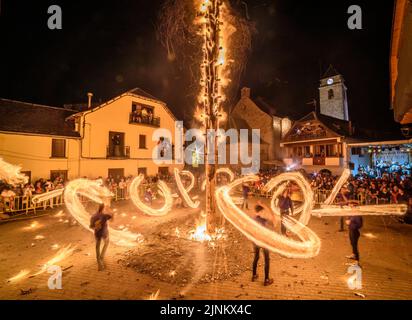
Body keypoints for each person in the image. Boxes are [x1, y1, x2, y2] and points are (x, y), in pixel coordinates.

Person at [251, 202, 275, 286]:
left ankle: (254, 276)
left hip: (255, 241)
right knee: (267, 260)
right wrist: (265, 205)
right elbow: (273, 219)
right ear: (260, 212)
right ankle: (266, 280)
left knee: (256, 257)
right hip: (263, 242)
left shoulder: (253, 218)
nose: (264, 213)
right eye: (263, 211)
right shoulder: (263, 219)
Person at [89, 203, 114, 271]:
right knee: (107, 242)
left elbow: (90, 226)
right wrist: (109, 209)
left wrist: (95, 227)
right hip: (104, 233)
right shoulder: (104, 216)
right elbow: (112, 218)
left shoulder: (93, 216)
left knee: (97, 246)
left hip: (97, 234)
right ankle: (101, 256)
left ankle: (99, 261)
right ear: (103, 209)